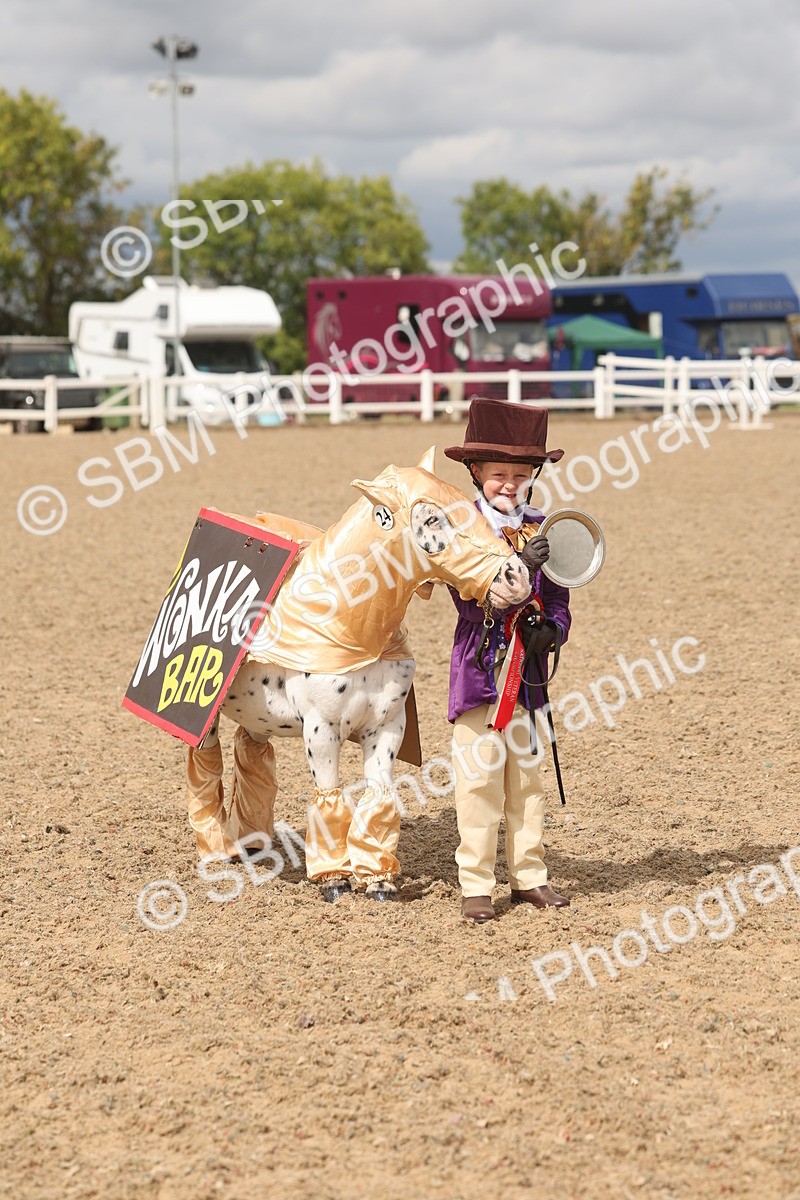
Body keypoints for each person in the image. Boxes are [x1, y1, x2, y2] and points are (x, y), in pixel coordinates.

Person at [444, 397, 572, 923]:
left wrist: (553, 631)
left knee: (526, 779)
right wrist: (519, 563)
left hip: (529, 677)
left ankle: (529, 876)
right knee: (478, 780)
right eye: (499, 474)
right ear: (476, 472)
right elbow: (469, 601)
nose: (510, 484)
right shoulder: (462, 531)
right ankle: (476, 882)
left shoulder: (546, 527)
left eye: (521, 474)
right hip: (481, 671)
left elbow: (559, 598)